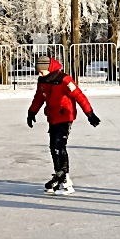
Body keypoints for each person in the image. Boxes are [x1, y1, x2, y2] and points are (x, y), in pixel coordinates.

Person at [27, 55, 100, 195]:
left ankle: (61, 175)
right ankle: (62, 176)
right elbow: (39, 97)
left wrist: (90, 113)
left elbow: (79, 95)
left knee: (59, 146)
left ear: (49, 68)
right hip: (52, 116)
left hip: (65, 116)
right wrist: (32, 112)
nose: (40, 73)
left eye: (42, 70)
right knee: (53, 147)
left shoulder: (64, 80)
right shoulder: (42, 81)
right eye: (38, 71)